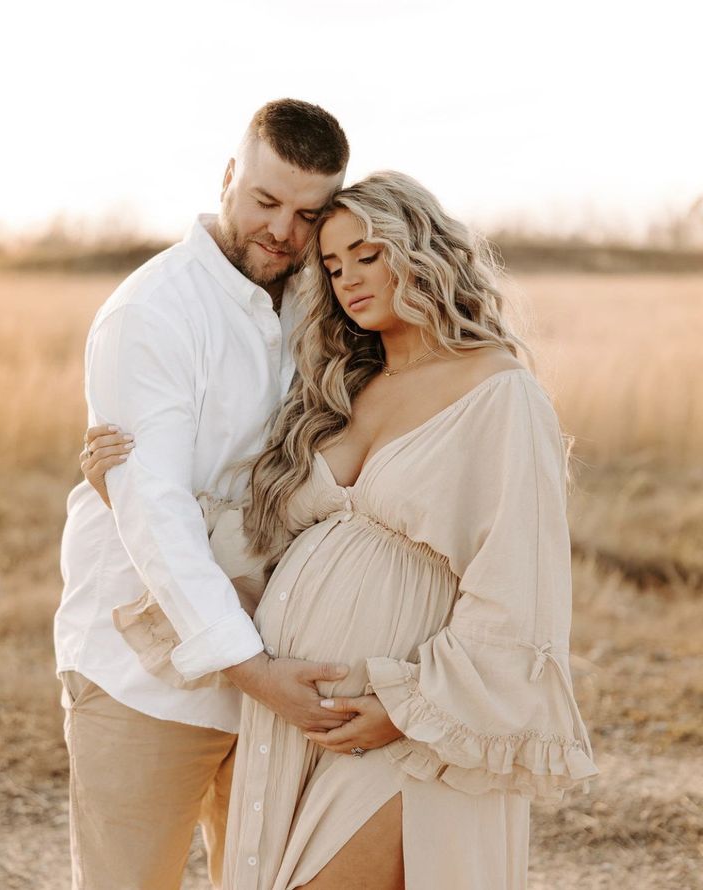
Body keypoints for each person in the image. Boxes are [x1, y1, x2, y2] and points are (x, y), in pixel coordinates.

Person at [83, 171, 598, 889]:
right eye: (331, 265)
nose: (349, 278)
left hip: (402, 718)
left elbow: (518, 585)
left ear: (419, 248)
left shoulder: (499, 390)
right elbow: (270, 547)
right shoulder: (349, 387)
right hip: (301, 719)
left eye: (367, 253)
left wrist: (410, 707)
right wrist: (127, 492)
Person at [55, 98, 353, 890]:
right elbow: (155, 517)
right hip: (144, 675)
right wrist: (255, 672)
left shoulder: (322, 304)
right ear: (228, 177)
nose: (284, 231)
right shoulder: (153, 312)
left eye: (307, 213)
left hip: (275, 669)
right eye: (264, 200)